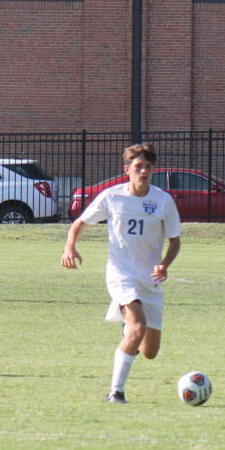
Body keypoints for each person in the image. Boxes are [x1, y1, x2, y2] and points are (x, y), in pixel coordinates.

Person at [61, 143, 182, 403]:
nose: (144, 171)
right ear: (127, 170)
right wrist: (70, 247)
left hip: (149, 279)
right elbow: (80, 222)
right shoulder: (112, 197)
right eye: (138, 167)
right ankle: (116, 392)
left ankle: (129, 332)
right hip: (121, 274)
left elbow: (175, 240)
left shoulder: (163, 201)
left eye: (148, 167)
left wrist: (164, 264)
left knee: (149, 351)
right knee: (137, 326)